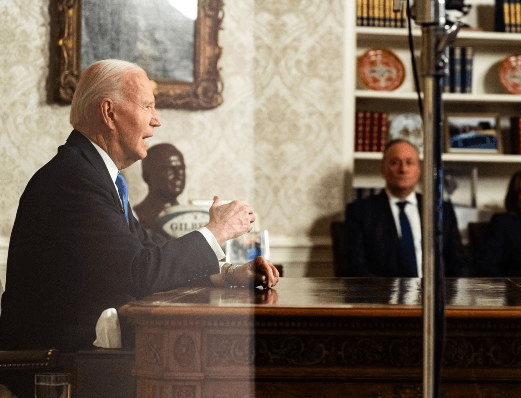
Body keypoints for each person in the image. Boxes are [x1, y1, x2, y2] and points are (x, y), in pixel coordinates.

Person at [0, 59, 279, 354]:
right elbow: (139, 274)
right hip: (56, 366)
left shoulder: (93, 173)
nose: (156, 120)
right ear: (109, 113)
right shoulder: (75, 180)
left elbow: (147, 251)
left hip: (88, 354)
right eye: (147, 106)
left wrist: (229, 273)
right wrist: (216, 230)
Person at [341, 139, 469, 277]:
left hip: (434, 296)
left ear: (419, 170)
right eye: (395, 163)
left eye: (410, 162)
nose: (403, 169)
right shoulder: (360, 212)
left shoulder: (441, 210)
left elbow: (458, 264)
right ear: (383, 169)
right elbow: (355, 268)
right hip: (383, 296)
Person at [134, 143, 186, 242]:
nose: (179, 175)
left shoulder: (189, 218)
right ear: (147, 175)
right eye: (170, 169)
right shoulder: (137, 217)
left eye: (181, 168)